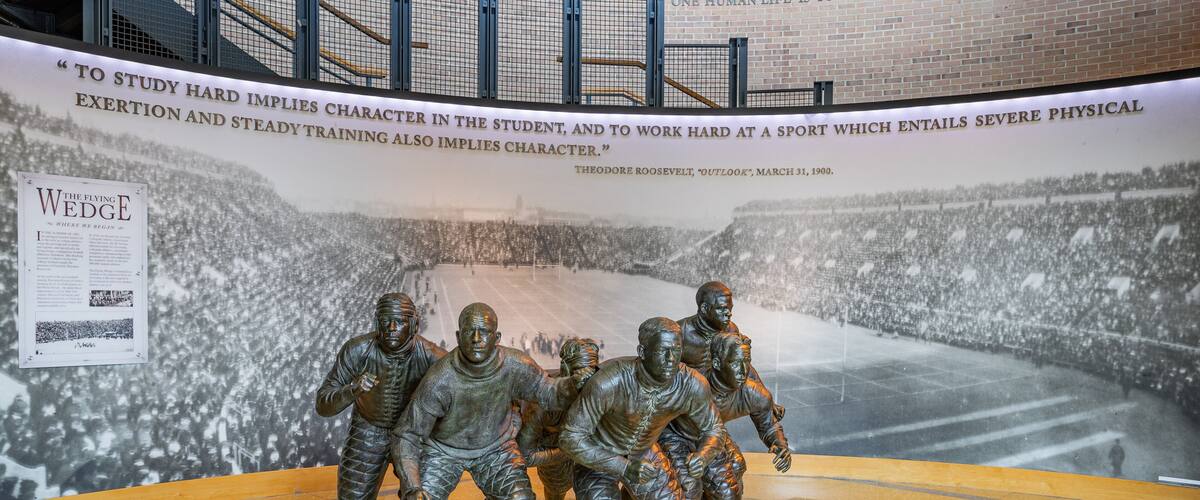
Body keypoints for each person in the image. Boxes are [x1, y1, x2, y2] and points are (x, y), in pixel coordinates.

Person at [395, 303, 590, 500]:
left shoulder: (514, 364)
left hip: (496, 449)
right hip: (443, 452)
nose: (477, 339)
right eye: (469, 331)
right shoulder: (440, 378)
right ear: (458, 336)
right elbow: (408, 434)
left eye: (484, 332)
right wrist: (412, 486)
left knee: (521, 498)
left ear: (496, 338)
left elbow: (548, 392)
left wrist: (574, 383)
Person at [559, 317, 725, 500]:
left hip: (645, 452)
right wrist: (623, 467)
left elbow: (714, 429)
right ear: (642, 352)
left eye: (676, 350)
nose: (671, 359)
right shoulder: (609, 382)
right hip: (598, 456)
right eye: (663, 350)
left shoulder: (692, 385)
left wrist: (703, 455)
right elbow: (570, 437)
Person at [315, 293, 446, 500]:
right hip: (367, 431)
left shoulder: (433, 356)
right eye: (386, 321)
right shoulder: (357, 350)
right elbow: (323, 405)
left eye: (400, 322)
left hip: (412, 434)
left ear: (414, 325)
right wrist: (352, 391)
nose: (392, 328)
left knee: (424, 496)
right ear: (377, 323)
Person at [660, 332, 791, 499]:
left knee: (732, 479)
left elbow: (769, 426)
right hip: (674, 434)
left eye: (746, 362)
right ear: (716, 363)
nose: (743, 370)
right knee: (688, 488)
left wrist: (779, 444)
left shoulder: (754, 393)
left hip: (711, 437)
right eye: (735, 363)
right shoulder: (692, 383)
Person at [676, 282, 783, 420]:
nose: (729, 313)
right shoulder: (680, 333)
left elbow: (744, 365)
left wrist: (769, 402)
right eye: (721, 309)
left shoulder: (731, 330)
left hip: (720, 402)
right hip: (686, 409)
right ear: (704, 308)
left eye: (730, 308)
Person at [517, 338, 602, 500]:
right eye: (579, 371)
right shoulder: (542, 401)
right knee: (555, 493)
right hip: (555, 457)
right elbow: (525, 454)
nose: (587, 379)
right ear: (564, 368)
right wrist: (570, 452)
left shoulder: (600, 388)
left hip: (590, 452)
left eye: (592, 371)